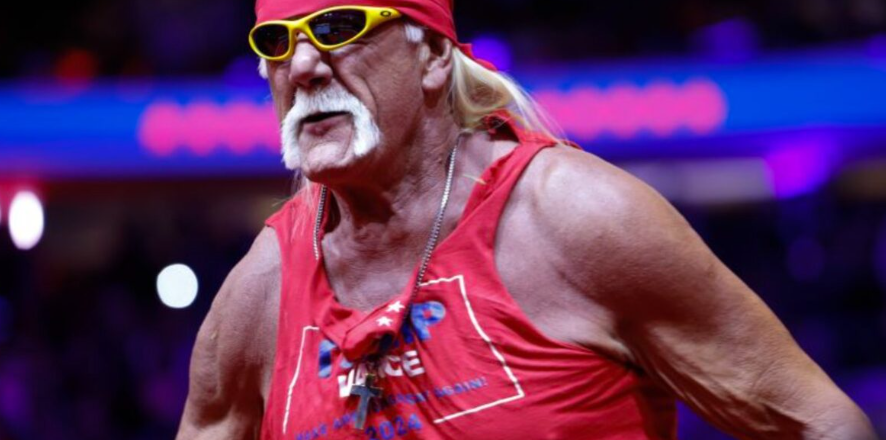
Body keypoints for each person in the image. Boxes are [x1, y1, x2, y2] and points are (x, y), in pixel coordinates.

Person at [176, 0, 878, 439]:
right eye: (276, 42)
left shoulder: (575, 218)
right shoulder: (262, 290)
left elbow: (818, 423)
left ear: (433, 55)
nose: (301, 65)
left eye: (337, 29)